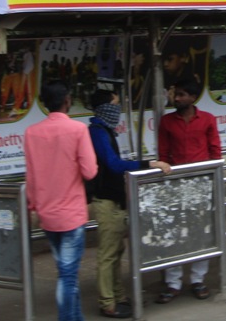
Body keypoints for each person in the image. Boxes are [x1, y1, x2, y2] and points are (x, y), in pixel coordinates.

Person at [87, 90, 171, 319]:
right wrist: (148, 163)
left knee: (116, 250)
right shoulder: (97, 132)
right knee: (108, 253)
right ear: (104, 108)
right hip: (105, 199)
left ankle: (118, 296)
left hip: (115, 199)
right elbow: (113, 164)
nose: (118, 110)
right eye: (115, 105)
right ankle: (108, 303)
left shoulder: (106, 130)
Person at [24, 81, 98, 321]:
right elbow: (90, 171)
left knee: (66, 273)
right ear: (67, 101)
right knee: (68, 276)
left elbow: (30, 175)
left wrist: (32, 206)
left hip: (47, 213)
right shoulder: (78, 130)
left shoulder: (32, 133)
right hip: (72, 214)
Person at [155, 78, 221, 304]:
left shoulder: (208, 120)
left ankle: (197, 280)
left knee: (200, 232)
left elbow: (215, 151)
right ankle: (173, 282)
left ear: (193, 97)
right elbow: (163, 154)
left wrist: (215, 181)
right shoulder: (166, 122)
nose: (177, 98)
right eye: (176, 94)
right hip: (175, 185)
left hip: (202, 184)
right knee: (174, 233)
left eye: (182, 95)